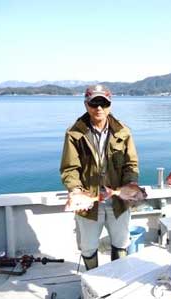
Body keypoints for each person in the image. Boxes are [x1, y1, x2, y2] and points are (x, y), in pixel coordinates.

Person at [60, 84, 139, 270]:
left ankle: (116, 279)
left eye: (103, 103)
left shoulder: (123, 132)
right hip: (89, 201)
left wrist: (131, 185)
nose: (99, 108)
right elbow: (70, 168)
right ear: (86, 104)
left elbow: (131, 164)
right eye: (94, 103)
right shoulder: (74, 133)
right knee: (88, 248)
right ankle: (92, 280)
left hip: (118, 202)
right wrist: (75, 190)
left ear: (110, 105)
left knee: (121, 245)